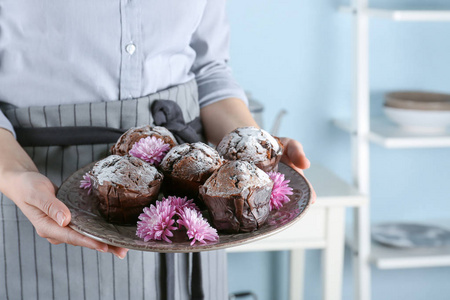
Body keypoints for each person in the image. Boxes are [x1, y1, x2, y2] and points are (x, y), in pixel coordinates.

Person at [0, 1, 313, 299]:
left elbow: (209, 69)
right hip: (42, 182)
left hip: (193, 204)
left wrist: (249, 152)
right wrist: (13, 172)